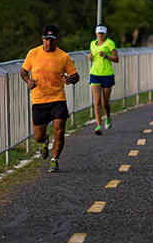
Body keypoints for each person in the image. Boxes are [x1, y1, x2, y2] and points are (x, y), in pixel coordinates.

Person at [21, 24, 80, 172]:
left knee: (59, 130)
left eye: (52, 40)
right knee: (38, 137)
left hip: (58, 98)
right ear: (42, 39)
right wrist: (28, 81)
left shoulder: (63, 57)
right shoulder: (33, 53)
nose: (49, 43)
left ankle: (55, 160)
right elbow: (23, 71)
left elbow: (76, 76)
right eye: (47, 39)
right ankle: (45, 141)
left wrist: (69, 79)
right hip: (39, 99)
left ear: (56, 40)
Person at [89, 25, 119, 135]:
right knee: (97, 102)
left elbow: (116, 59)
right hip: (95, 74)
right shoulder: (92, 44)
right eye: (98, 33)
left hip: (107, 74)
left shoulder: (110, 43)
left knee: (105, 102)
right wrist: (90, 57)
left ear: (105, 34)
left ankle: (107, 118)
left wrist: (106, 56)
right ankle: (98, 125)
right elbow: (92, 55)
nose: (100, 35)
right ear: (96, 34)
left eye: (102, 33)